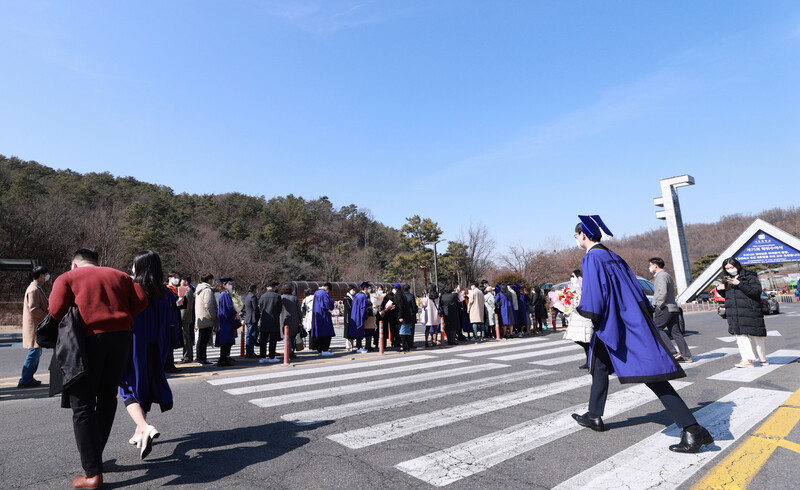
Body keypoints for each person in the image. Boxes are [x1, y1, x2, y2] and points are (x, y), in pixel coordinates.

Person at [570, 215, 712, 453]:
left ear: (583, 235)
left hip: (615, 325)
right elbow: (635, 290)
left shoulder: (592, 258)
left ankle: (693, 429)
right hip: (627, 320)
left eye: (575, 235)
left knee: (652, 375)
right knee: (600, 367)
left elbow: (595, 297)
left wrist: (580, 309)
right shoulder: (614, 256)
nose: (576, 239)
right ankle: (594, 414)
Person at [49, 248, 148, 488]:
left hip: (88, 340)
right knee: (106, 396)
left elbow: (55, 310)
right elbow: (142, 301)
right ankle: (97, 457)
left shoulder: (68, 277)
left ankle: (92, 474)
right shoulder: (121, 276)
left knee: (82, 404)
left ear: (74, 264)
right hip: (122, 337)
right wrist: (119, 316)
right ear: (97, 262)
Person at [119, 251, 176, 460]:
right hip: (157, 345)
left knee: (126, 386)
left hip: (136, 344)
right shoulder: (166, 293)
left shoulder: (132, 290)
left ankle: (144, 426)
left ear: (139, 266)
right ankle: (138, 432)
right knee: (148, 384)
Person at [717, 257, 768, 367]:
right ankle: (748, 359)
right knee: (740, 336)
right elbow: (728, 296)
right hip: (735, 312)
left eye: (732, 267)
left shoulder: (749, 277)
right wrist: (720, 289)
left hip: (750, 311)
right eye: (727, 268)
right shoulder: (727, 279)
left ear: (737, 266)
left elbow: (756, 292)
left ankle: (763, 359)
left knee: (756, 336)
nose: (730, 269)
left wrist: (739, 283)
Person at [650, 257, 693, 363]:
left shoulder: (661, 276)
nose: (650, 267)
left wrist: (659, 304)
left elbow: (662, 292)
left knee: (656, 328)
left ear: (655, 265)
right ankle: (686, 355)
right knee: (676, 332)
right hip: (673, 307)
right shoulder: (667, 275)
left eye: (650, 265)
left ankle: (673, 352)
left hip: (665, 307)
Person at [19, 266, 50, 388]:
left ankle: (28, 378)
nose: (48, 276)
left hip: (36, 326)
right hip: (34, 327)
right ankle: (25, 379)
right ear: (41, 275)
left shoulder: (36, 288)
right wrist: (47, 317)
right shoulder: (33, 290)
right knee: (34, 352)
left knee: (36, 352)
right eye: (47, 274)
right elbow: (34, 309)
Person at [562, 270, 593, 369]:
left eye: (573, 276)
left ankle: (590, 362)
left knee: (586, 340)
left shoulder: (584, 287)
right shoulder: (574, 288)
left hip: (583, 317)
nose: (571, 278)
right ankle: (589, 361)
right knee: (582, 340)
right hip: (577, 317)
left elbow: (579, 301)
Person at [194, 274, 217, 365]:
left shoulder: (199, 290)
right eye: (212, 279)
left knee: (201, 340)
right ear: (209, 280)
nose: (213, 281)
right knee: (203, 340)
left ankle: (200, 358)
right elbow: (209, 305)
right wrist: (214, 316)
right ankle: (202, 359)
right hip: (207, 319)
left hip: (200, 318)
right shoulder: (207, 290)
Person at [215, 277, 238, 367]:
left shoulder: (225, 294)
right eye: (229, 283)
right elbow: (228, 309)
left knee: (226, 342)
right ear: (224, 284)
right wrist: (235, 314)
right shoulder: (225, 295)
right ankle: (223, 360)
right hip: (226, 321)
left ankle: (223, 359)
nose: (231, 285)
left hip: (225, 321)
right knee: (226, 342)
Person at [163, 271, 182, 374]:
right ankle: (169, 365)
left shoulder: (174, 290)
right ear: (169, 277)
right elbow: (168, 306)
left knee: (172, 344)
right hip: (170, 321)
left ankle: (170, 364)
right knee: (169, 345)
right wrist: (176, 303)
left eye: (178, 277)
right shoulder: (167, 290)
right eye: (175, 277)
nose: (177, 279)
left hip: (174, 319)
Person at [258, 281, 283, 363]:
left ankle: (262, 357)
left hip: (264, 320)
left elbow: (260, 309)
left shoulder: (262, 296)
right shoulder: (277, 296)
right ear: (274, 287)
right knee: (273, 340)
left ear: (267, 288)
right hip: (274, 320)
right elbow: (280, 309)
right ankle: (272, 356)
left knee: (263, 340)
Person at [279, 283, 303, 360]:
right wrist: (300, 319)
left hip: (283, 320)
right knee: (292, 337)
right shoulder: (294, 298)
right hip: (294, 320)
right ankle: (291, 352)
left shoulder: (281, 298)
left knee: (287, 337)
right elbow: (299, 310)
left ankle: (288, 352)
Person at [311, 282, 335, 356]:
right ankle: (325, 349)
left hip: (317, 316)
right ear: (327, 287)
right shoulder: (324, 294)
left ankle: (320, 350)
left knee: (319, 333)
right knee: (327, 333)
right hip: (324, 316)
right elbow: (327, 305)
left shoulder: (316, 293)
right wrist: (332, 302)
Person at [177, 275, 195, 364]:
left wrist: (182, 317)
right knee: (186, 337)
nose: (180, 282)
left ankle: (187, 356)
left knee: (185, 338)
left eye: (182, 281)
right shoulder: (189, 290)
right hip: (187, 318)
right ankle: (189, 356)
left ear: (186, 282)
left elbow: (185, 306)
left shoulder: (186, 291)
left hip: (185, 318)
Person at [349, 281, 372, 353]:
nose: (369, 290)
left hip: (354, 315)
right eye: (369, 288)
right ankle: (359, 347)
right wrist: (364, 316)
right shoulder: (363, 296)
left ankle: (358, 346)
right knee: (360, 331)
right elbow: (363, 308)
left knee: (357, 331)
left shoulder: (357, 295)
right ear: (365, 288)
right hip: (359, 316)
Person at [243, 284, 260, 358]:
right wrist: (258, 316)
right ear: (254, 289)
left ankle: (248, 351)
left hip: (247, 318)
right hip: (252, 318)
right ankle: (251, 352)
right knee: (252, 336)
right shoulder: (253, 297)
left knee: (248, 336)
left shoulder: (247, 296)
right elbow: (256, 308)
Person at [343, 285, 356, 352]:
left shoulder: (351, 298)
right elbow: (349, 308)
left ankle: (351, 345)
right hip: (348, 316)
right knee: (347, 331)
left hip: (351, 316)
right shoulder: (347, 298)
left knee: (351, 331)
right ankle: (348, 346)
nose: (354, 291)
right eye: (353, 290)